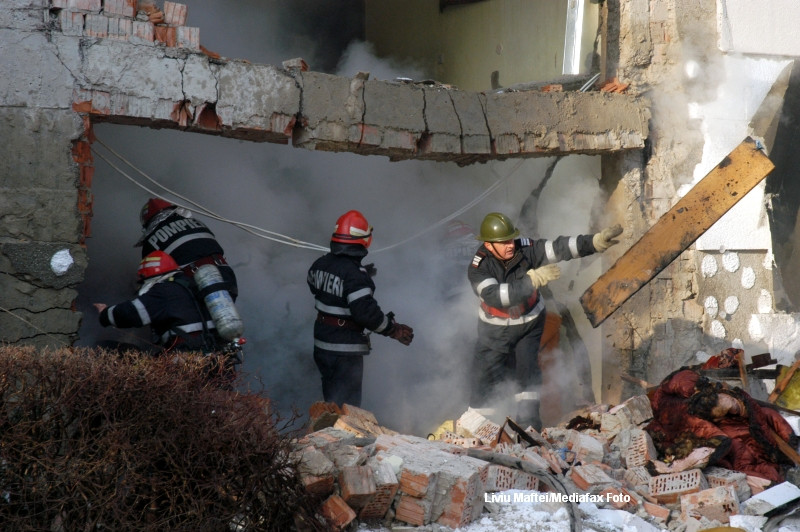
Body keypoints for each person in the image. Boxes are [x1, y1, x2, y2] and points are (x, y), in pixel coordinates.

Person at [468, 211, 622, 430]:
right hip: (494, 332)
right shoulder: (479, 268)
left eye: (511, 239)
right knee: (484, 381)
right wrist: (532, 280)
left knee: (528, 376)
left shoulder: (524, 248)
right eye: (503, 242)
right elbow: (497, 297)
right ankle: (479, 430)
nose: (510, 245)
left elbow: (557, 248)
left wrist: (593, 242)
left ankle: (528, 431)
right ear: (488, 245)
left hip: (529, 324)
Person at [307, 210, 414, 407]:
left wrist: (356, 278)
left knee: (332, 401)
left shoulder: (320, 264)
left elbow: (319, 287)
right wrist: (393, 329)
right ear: (364, 241)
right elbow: (366, 314)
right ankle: (343, 429)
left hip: (322, 345)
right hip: (344, 350)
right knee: (348, 408)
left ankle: (330, 425)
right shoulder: (355, 276)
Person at [94, 251, 240, 382]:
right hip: (219, 361)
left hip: (187, 362)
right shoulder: (193, 287)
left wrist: (105, 313)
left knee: (118, 354)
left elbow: (131, 313)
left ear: (148, 278)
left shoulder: (163, 292)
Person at [137, 198, 238, 300]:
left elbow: (151, 279)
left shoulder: (150, 242)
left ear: (148, 223)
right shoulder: (197, 222)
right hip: (226, 274)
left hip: (195, 281)